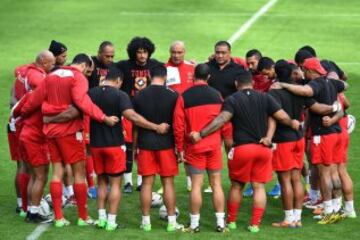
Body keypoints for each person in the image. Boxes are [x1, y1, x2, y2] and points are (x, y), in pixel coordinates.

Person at [190, 70, 300, 233]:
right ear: (252, 83)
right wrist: (292, 123)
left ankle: (232, 221)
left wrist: (201, 134)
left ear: (236, 84)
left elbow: (221, 120)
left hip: (242, 149)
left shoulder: (232, 99)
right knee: (259, 187)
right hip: (263, 149)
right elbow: (281, 117)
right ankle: (254, 225)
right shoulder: (265, 97)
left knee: (236, 186)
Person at [20, 54, 119, 228]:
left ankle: (58, 218)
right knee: (78, 173)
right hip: (70, 131)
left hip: (50, 132)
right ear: (83, 65)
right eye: (88, 71)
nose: (88, 74)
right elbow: (82, 102)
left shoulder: (51, 75)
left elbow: (34, 100)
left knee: (57, 171)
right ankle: (83, 217)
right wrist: (103, 117)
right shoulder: (78, 77)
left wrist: (23, 114)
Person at [276, 57, 348, 224]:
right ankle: (337, 208)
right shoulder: (331, 82)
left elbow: (307, 94)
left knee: (324, 173)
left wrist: (285, 85)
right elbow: (345, 85)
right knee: (334, 172)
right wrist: (335, 107)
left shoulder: (315, 84)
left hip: (322, 135)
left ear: (310, 71)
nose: (302, 73)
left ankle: (328, 211)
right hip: (336, 132)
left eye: (304, 70)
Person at [173, 64, 231, 233]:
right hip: (214, 146)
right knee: (216, 184)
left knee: (196, 186)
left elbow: (178, 125)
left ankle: (194, 224)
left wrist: (179, 148)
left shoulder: (184, 96)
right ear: (209, 77)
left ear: (193, 77)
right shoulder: (217, 95)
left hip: (194, 146)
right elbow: (223, 121)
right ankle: (221, 223)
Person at [133, 65, 183, 232]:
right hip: (166, 145)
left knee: (147, 183)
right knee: (168, 182)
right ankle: (171, 222)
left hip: (145, 144)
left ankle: (145, 222)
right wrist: (179, 147)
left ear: (148, 75)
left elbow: (135, 124)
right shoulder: (174, 95)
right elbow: (178, 124)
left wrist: (133, 148)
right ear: (166, 76)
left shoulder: (139, 95)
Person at [117, 36, 163, 193]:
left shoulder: (156, 65)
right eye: (139, 52)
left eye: (145, 52)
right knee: (129, 147)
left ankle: (141, 180)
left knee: (144, 148)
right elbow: (107, 67)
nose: (142, 55)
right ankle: (128, 182)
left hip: (147, 113)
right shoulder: (124, 65)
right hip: (129, 112)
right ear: (133, 53)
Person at [165, 40, 195, 192]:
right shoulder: (164, 69)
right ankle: (168, 181)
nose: (176, 55)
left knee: (189, 147)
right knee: (171, 149)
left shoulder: (192, 68)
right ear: (170, 52)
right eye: (174, 52)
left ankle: (191, 181)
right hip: (170, 114)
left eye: (179, 52)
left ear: (185, 52)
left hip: (189, 115)